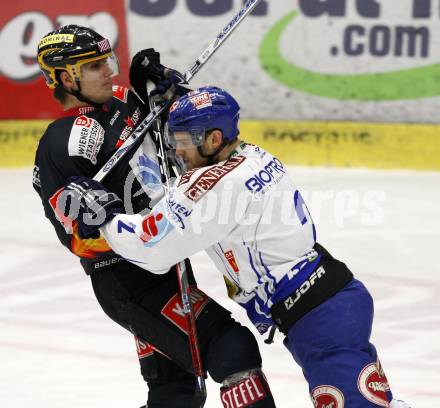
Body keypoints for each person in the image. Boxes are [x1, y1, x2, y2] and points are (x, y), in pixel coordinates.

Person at [66, 86, 412, 408]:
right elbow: (199, 160)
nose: (177, 150)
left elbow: (152, 248)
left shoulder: (215, 185)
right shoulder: (251, 156)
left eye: (184, 140)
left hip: (318, 319)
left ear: (214, 139)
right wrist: (171, 95)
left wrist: (106, 217)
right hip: (328, 302)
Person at [33, 26, 276, 408]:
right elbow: (76, 239)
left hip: (166, 258)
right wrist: (105, 219)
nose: (109, 71)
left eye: (107, 61)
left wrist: (164, 95)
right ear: (66, 78)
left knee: (177, 392)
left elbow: (175, 147)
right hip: (130, 281)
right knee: (232, 350)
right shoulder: (64, 142)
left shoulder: (122, 100)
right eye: (95, 66)